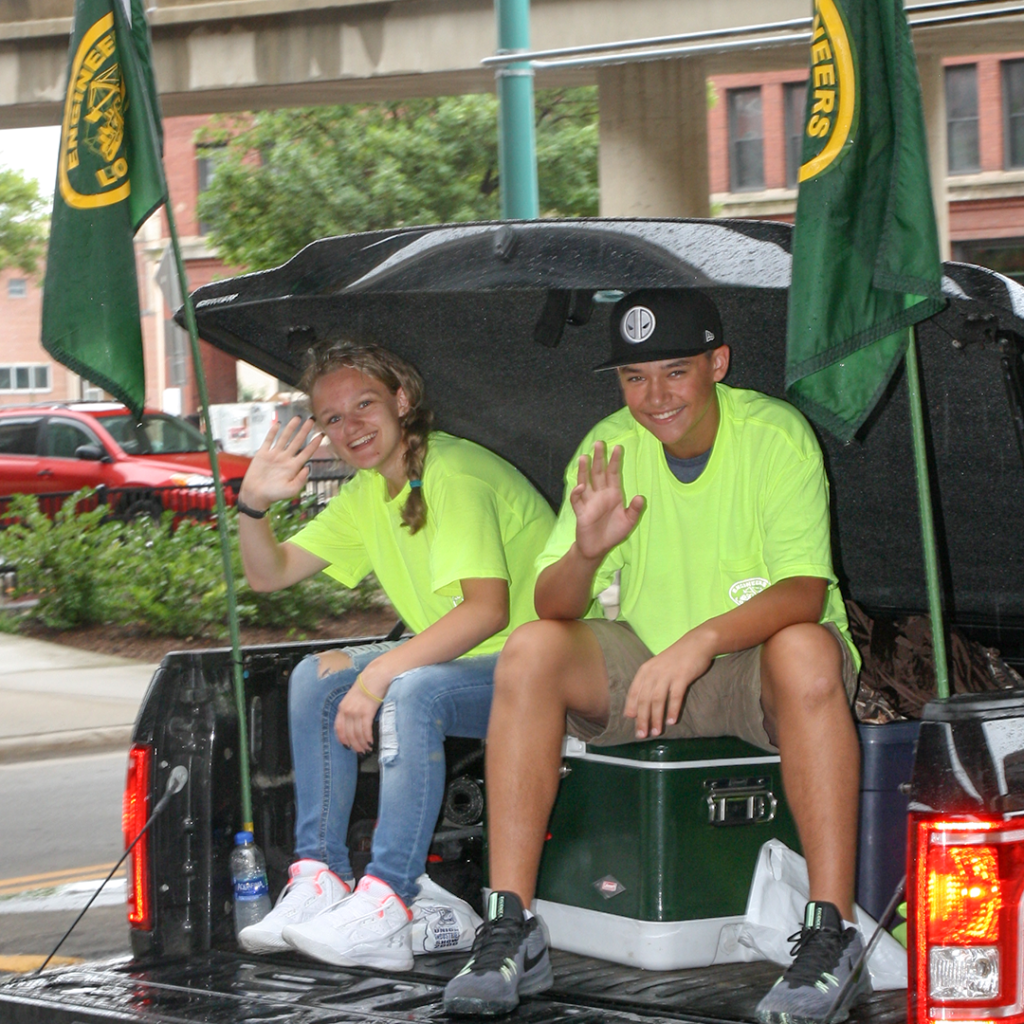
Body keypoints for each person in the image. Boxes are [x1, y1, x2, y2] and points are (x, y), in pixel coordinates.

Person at [444, 289, 866, 1022]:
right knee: (532, 649)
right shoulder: (610, 446)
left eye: (675, 371)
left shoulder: (774, 434)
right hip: (648, 672)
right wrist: (586, 551)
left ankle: (831, 935)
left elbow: (804, 590)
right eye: (634, 377)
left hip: (753, 669)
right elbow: (552, 606)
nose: (655, 396)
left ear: (717, 364)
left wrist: (699, 643)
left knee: (805, 650)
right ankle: (511, 926)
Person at [233, 343, 554, 969]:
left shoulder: (454, 474)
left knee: (411, 690)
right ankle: (321, 876)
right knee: (315, 678)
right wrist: (253, 504)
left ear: (402, 401)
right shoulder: (369, 492)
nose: (350, 427)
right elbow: (269, 574)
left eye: (364, 405)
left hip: (539, 667)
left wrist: (380, 673)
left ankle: (389, 899)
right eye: (332, 418)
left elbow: (488, 611)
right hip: (469, 661)